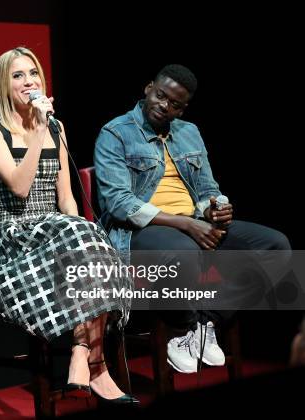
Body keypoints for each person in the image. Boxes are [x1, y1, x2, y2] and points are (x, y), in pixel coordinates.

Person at [94, 64, 291, 374]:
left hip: (193, 224)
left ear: (182, 108)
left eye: (174, 103)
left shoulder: (189, 133)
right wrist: (186, 224)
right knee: (183, 252)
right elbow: (118, 203)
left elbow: (207, 189)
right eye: (160, 96)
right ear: (148, 88)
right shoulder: (116, 132)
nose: (164, 106)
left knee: (276, 247)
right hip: (141, 229)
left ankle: (204, 323)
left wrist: (215, 209)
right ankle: (183, 327)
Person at [0, 47, 137, 404]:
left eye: (33, 73)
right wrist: (37, 130)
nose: (28, 81)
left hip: (55, 232)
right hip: (11, 236)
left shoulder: (55, 128)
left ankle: (83, 352)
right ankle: (96, 366)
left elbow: (66, 198)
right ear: (4, 83)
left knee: (89, 237)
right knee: (84, 237)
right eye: (18, 75)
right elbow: (18, 184)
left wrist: (82, 233)